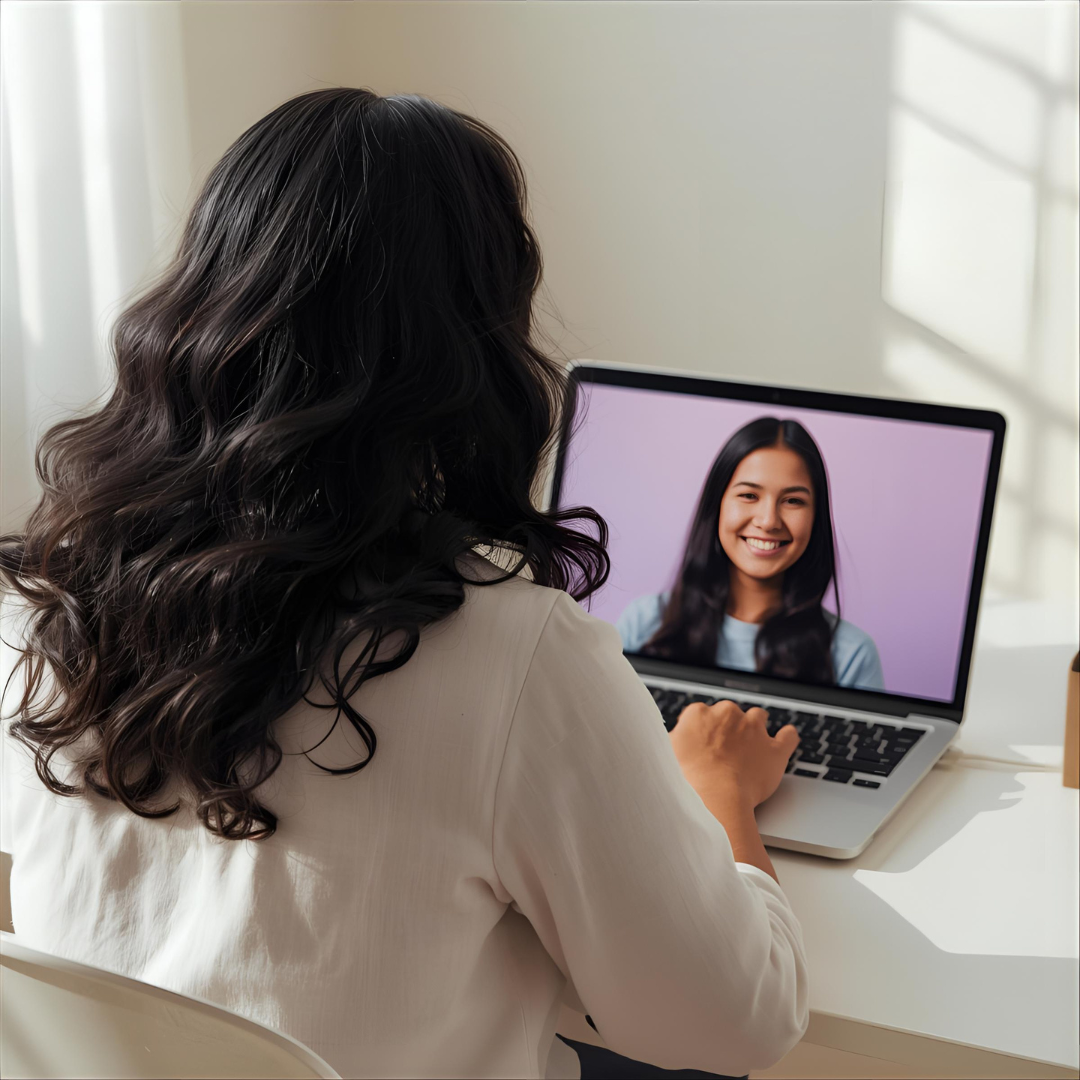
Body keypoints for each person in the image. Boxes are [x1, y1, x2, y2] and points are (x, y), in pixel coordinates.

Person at [0, 88, 808, 1080]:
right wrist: (719, 794)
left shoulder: (45, 607)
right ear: (475, 335)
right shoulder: (515, 654)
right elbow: (735, 1027)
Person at [617, 417, 885, 693]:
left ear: (817, 518)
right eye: (748, 495)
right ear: (717, 505)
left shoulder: (853, 655)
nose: (769, 521)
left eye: (793, 501)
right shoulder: (643, 624)